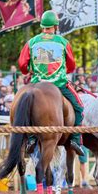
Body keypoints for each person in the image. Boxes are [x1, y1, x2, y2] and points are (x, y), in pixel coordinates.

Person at [18, 10, 84, 156]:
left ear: (42, 26)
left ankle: (31, 138)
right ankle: (75, 138)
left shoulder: (32, 42)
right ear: (55, 26)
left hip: (37, 83)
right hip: (59, 83)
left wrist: (30, 69)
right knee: (79, 107)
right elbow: (72, 66)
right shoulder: (63, 42)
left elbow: (22, 65)